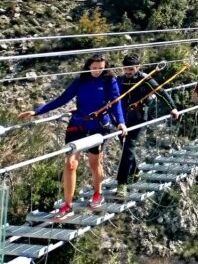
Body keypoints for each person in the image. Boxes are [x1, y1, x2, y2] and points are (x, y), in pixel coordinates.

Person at [18, 55, 128, 218]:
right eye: (94, 67)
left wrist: (121, 122)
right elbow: (62, 99)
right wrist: (37, 111)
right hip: (78, 124)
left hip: (98, 127)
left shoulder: (108, 81)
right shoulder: (81, 81)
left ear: (105, 67)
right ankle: (67, 205)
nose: (97, 70)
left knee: (93, 162)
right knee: (70, 163)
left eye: (101, 68)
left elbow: (116, 103)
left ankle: (98, 193)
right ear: (88, 66)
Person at [115, 54, 179, 199]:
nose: (128, 71)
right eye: (126, 68)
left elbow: (161, 92)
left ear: (138, 68)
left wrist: (172, 108)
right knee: (125, 147)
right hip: (122, 120)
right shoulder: (119, 80)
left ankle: (122, 183)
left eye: (131, 69)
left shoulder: (145, 79)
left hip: (138, 118)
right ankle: (135, 171)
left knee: (128, 147)